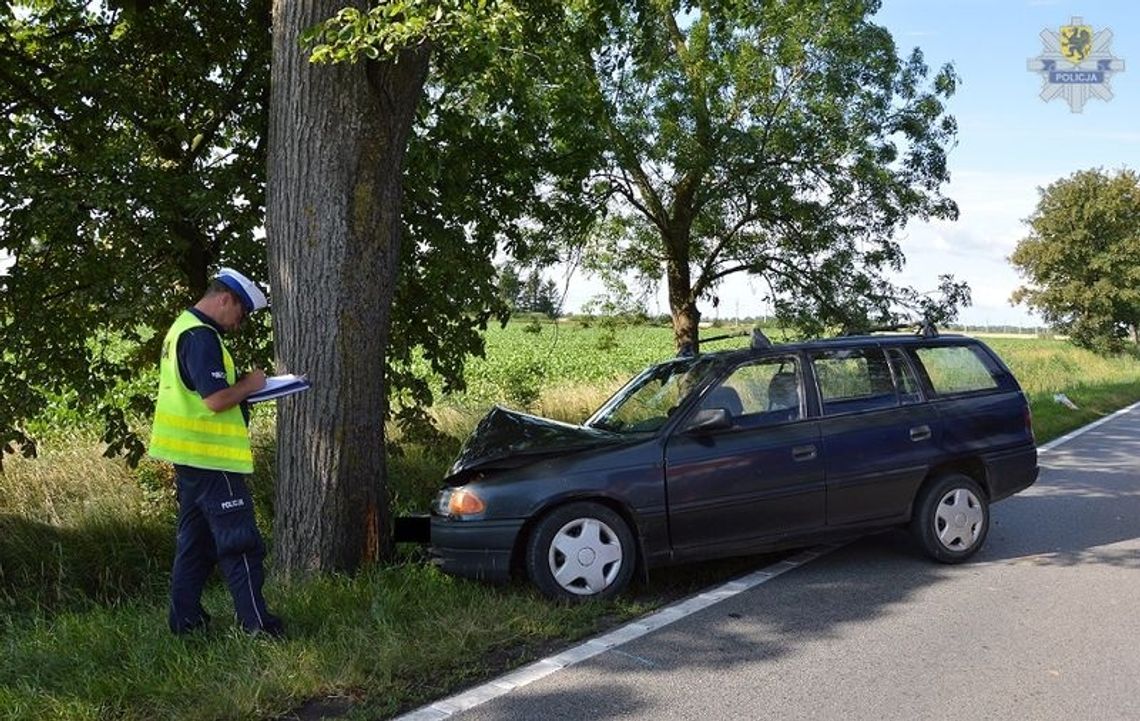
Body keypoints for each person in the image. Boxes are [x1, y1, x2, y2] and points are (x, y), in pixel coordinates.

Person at [149, 267, 284, 637]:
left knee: (194, 545)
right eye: (242, 313)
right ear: (225, 299)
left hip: (190, 458)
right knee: (240, 543)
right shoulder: (201, 336)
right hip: (213, 460)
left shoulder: (181, 328)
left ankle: (186, 624)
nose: (239, 324)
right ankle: (257, 627)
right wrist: (251, 384)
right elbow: (215, 400)